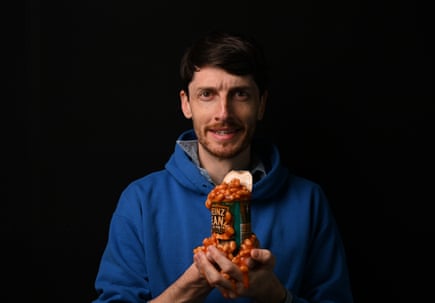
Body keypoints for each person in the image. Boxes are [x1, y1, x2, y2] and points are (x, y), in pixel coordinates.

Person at [92, 30, 354, 303]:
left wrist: (276, 296)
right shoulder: (140, 201)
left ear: (261, 104)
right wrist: (191, 286)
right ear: (186, 103)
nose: (224, 113)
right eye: (207, 94)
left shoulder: (309, 201)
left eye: (240, 94)